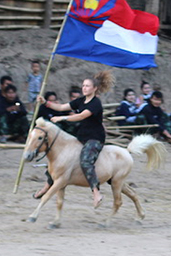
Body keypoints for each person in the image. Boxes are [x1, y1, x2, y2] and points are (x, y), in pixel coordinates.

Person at [37, 70, 115, 208]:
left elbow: (81, 116)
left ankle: (96, 192)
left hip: (94, 139)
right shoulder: (80, 100)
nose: (84, 88)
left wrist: (62, 118)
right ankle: (46, 186)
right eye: (83, 85)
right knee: (60, 160)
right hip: (81, 137)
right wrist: (46, 103)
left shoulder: (95, 104)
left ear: (95, 88)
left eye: (87, 86)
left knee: (86, 161)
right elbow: (61, 107)